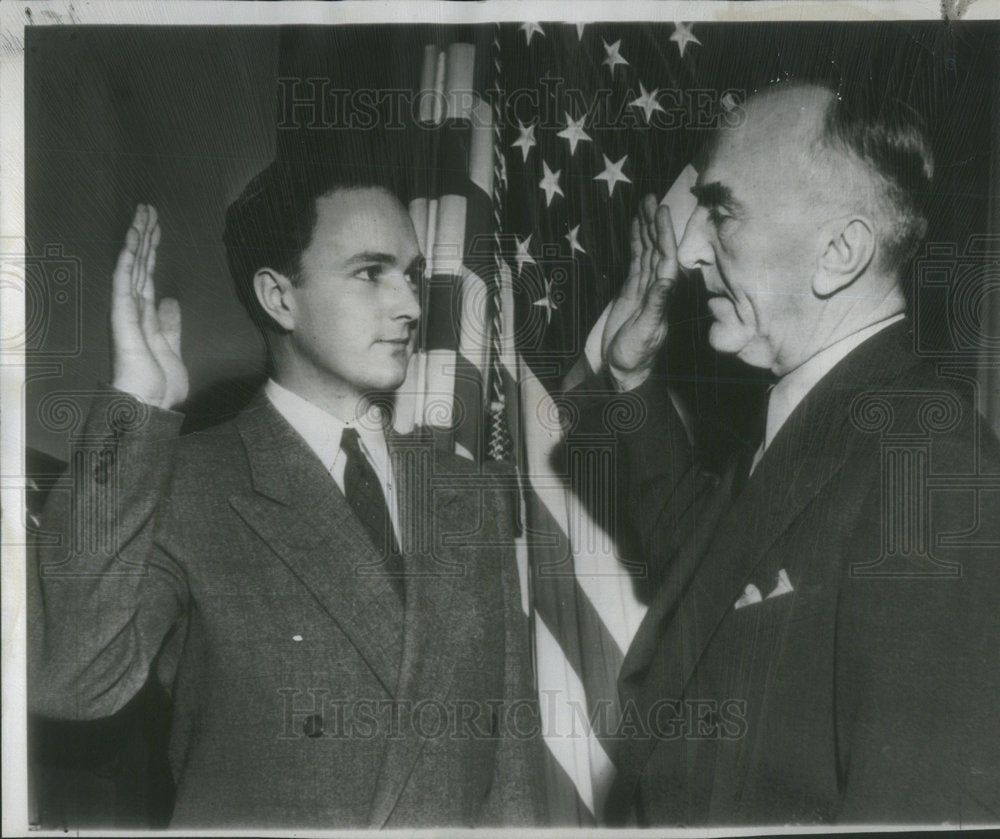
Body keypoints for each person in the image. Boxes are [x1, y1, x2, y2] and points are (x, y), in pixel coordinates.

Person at [28, 159, 545, 828]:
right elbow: (71, 678)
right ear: (278, 297)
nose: (412, 306)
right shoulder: (185, 480)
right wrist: (133, 405)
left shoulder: (471, 495)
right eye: (370, 273)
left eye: (413, 276)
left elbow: (512, 775)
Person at [571, 82, 1000, 825]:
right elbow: (708, 581)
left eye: (724, 210)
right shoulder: (821, 422)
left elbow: (915, 802)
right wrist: (632, 378)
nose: (693, 247)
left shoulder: (928, 464)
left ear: (838, 253)